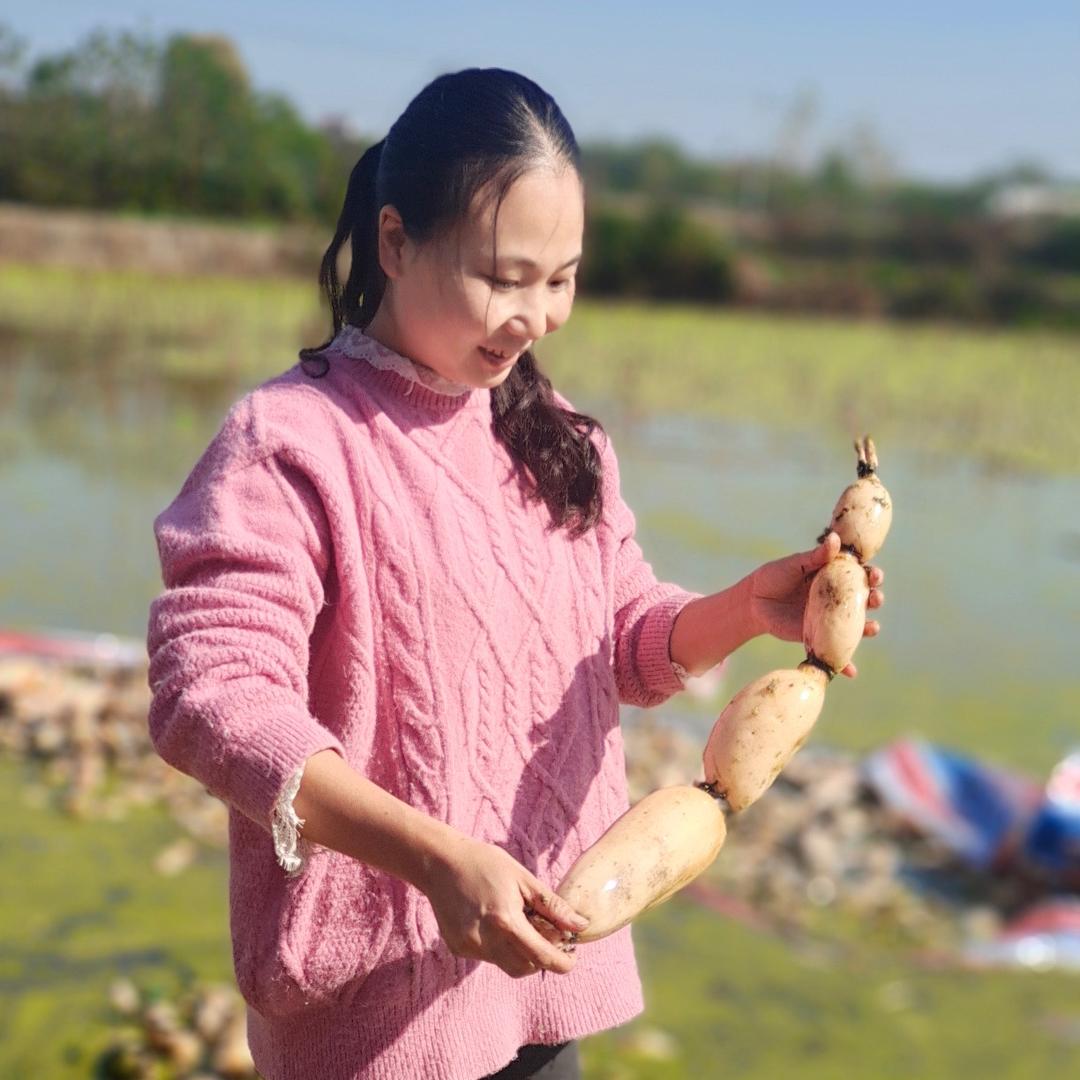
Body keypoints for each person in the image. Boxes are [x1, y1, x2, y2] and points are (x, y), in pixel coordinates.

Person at [145, 67, 884, 1080]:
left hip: (545, 980)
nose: (537, 315)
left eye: (563, 278)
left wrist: (747, 607)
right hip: (377, 1021)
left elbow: (620, 641)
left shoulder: (559, 436)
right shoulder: (290, 441)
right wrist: (437, 861)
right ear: (396, 242)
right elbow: (210, 697)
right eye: (506, 275)